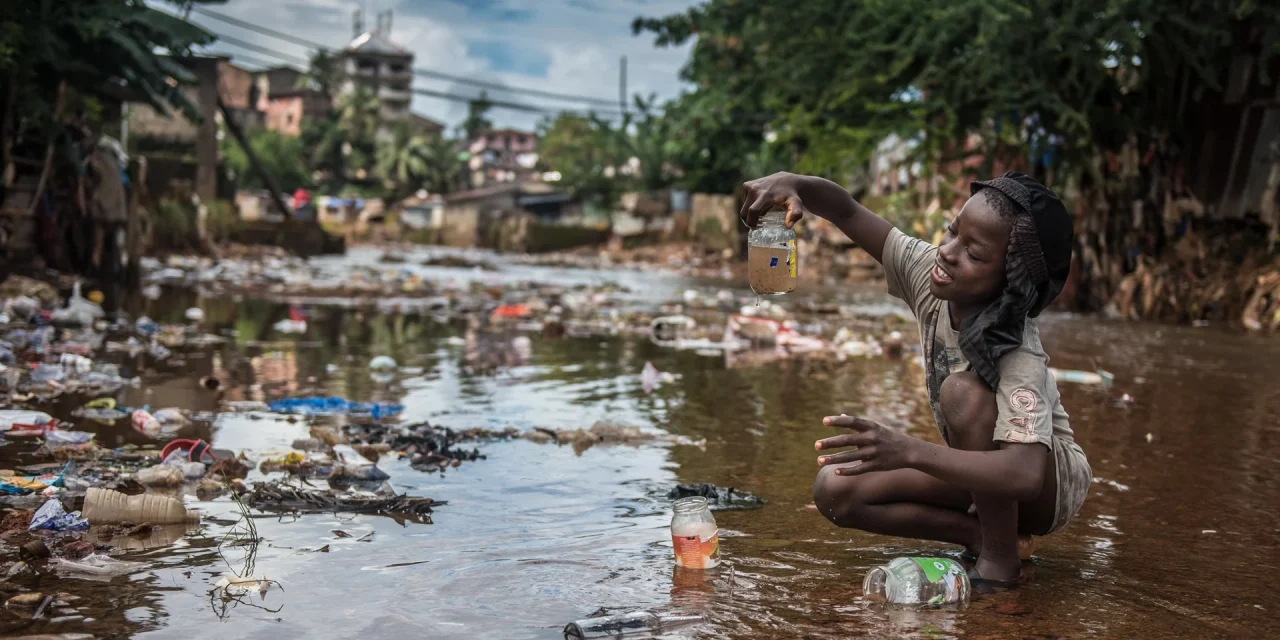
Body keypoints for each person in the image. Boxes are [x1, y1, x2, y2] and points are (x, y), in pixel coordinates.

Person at [740, 171, 1091, 586]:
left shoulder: (1018, 349)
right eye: (952, 231)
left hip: (1048, 489)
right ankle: (980, 537)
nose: (947, 252)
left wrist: (908, 451)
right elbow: (846, 211)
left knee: (962, 393)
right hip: (987, 473)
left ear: (1009, 286)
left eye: (974, 255)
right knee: (835, 489)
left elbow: (1025, 473)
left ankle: (999, 566)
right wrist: (794, 184)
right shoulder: (929, 272)